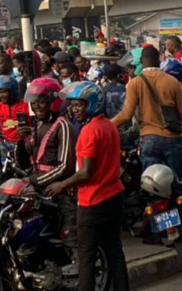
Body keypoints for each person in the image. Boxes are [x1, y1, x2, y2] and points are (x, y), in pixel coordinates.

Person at [46, 82, 128, 291]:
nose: (74, 110)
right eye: (72, 105)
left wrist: (62, 184)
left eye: (78, 105)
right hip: (114, 195)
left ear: (91, 104)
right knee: (114, 251)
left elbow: (85, 172)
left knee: (87, 256)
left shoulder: (89, 132)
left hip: (93, 201)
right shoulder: (109, 125)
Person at [16, 78, 77, 245]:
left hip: (60, 192)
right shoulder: (38, 126)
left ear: (53, 101)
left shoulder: (63, 126)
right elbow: (25, 163)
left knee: (69, 238)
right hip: (40, 193)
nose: (36, 107)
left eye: (41, 102)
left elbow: (65, 166)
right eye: (34, 103)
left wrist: (34, 180)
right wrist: (20, 142)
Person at [111, 45, 182, 177]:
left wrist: (107, 124)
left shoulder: (135, 83)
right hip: (173, 139)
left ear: (142, 62)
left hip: (149, 140)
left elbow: (127, 115)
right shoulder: (172, 82)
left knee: (151, 183)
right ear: (159, 61)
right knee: (177, 183)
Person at [0, 75, 28, 143]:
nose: (1, 95)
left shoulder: (25, 105)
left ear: (13, 91)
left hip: (23, 142)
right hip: (4, 143)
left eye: (4, 92)